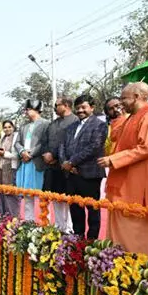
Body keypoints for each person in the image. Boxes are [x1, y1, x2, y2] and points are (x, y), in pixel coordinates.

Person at [98, 82, 148, 256]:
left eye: (124, 98)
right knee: (118, 233)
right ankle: (118, 265)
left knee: (135, 234)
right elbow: (115, 135)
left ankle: (138, 269)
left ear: (137, 97)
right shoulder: (132, 117)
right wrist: (118, 117)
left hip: (137, 187)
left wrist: (114, 159)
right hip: (123, 183)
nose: (121, 103)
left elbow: (146, 148)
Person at [59, 94, 107, 240]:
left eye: (83, 107)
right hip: (71, 174)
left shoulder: (100, 125)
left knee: (92, 209)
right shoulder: (71, 127)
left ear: (92, 108)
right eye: (78, 107)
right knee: (75, 209)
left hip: (90, 174)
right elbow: (62, 146)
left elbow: (94, 147)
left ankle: (92, 241)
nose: (80, 110)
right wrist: (64, 163)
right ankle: (78, 238)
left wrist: (71, 162)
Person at [42, 96, 78, 233]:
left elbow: (70, 143)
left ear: (67, 105)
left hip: (67, 165)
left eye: (57, 105)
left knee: (67, 198)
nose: (55, 108)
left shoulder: (75, 121)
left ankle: (68, 227)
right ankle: (58, 225)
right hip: (51, 166)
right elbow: (45, 141)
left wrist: (55, 155)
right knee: (55, 197)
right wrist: (46, 154)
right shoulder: (53, 123)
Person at [15, 99, 50, 221]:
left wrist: (31, 153)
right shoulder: (24, 126)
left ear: (36, 109)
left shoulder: (46, 124)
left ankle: (46, 223)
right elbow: (17, 142)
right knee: (27, 195)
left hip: (38, 163)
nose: (26, 112)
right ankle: (29, 223)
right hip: (25, 163)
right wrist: (22, 152)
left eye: (28, 109)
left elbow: (45, 142)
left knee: (42, 195)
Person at [0, 120, 21, 217]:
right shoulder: (2, 138)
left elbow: (17, 155)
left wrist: (4, 154)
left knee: (11, 195)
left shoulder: (16, 138)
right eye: (5, 127)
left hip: (11, 169)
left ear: (13, 127)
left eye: (9, 127)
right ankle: (2, 218)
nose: (7, 129)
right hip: (1, 170)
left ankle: (13, 218)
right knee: (1, 194)